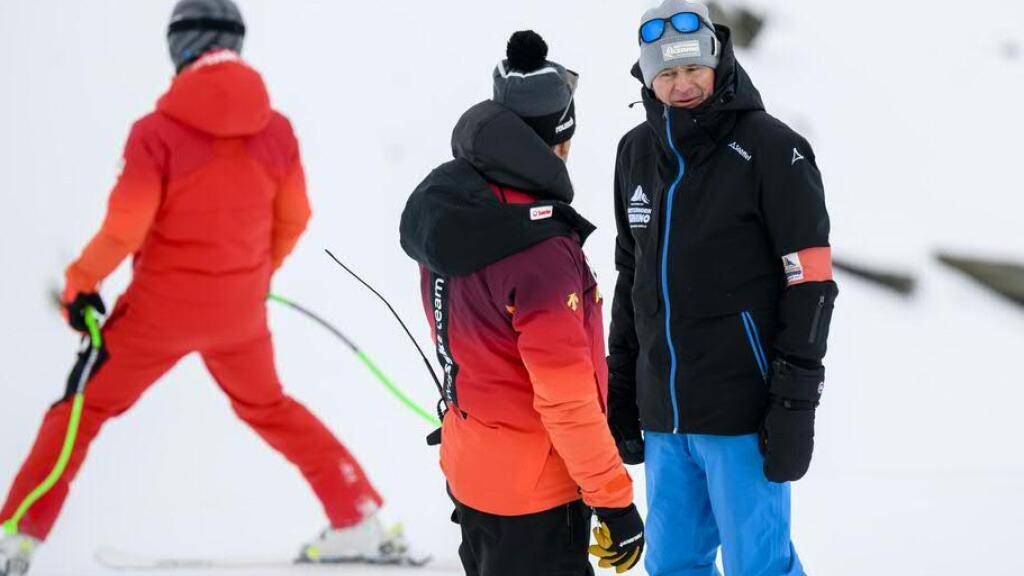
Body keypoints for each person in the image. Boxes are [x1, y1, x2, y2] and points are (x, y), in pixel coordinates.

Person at [0, 2, 410, 574]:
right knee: (270, 407)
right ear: (234, 46)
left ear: (179, 48)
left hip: (154, 316)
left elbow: (124, 228)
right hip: (239, 316)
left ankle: (15, 536)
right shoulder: (277, 130)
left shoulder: (156, 132)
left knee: (80, 410)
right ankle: (358, 517)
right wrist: (255, 275)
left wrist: (80, 284)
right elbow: (296, 216)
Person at [606, 1, 839, 575]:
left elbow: (809, 284)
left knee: (759, 566)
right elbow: (630, 276)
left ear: (717, 59)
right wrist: (622, 385)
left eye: (692, 69)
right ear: (646, 76)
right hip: (666, 415)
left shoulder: (771, 148)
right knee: (674, 564)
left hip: (742, 414)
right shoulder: (635, 153)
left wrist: (793, 401)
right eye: (666, 73)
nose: (682, 85)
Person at [400, 31, 645, 576]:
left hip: (475, 474)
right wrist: (613, 498)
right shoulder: (540, 254)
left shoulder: (451, 206)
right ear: (556, 142)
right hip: (538, 497)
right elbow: (565, 398)